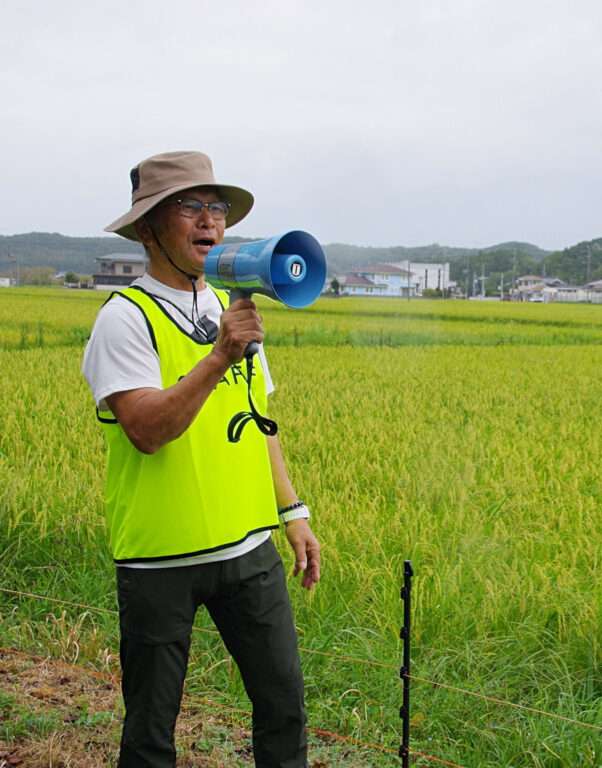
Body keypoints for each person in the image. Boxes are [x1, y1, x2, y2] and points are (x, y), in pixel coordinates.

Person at [82, 151, 321, 768]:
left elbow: (258, 419)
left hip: (247, 548)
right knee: (152, 729)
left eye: (216, 208)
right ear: (146, 227)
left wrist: (292, 510)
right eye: (189, 206)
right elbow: (147, 430)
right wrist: (218, 357)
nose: (209, 220)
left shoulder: (229, 309)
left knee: (285, 707)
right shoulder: (123, 320)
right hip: (161, 558)